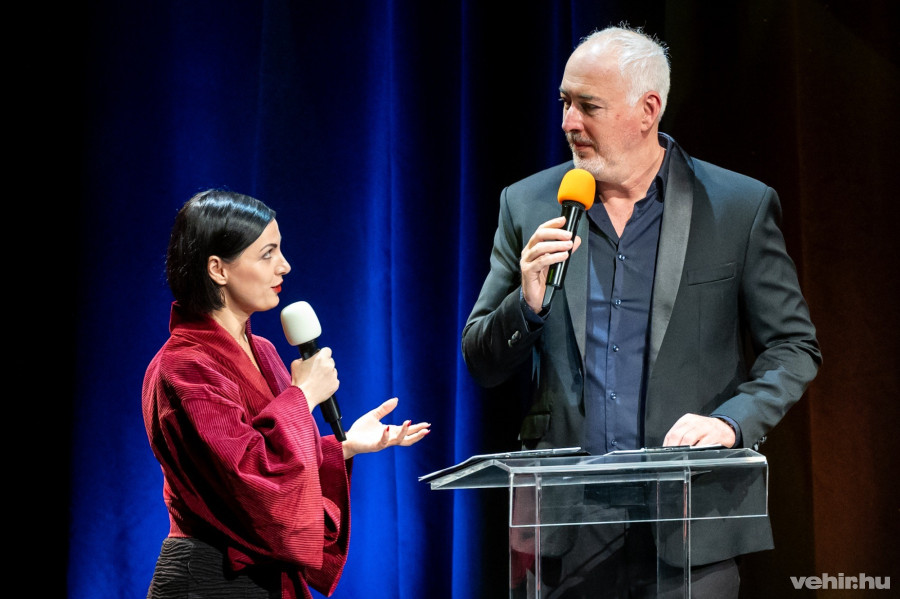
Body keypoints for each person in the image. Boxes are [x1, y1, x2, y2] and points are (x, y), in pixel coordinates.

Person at [461, 25, 821, 598]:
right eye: (564, 102)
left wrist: (731, 422)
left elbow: (794, 347)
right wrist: (525, 304)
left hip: (691, 520)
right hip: (565, 525)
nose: (568, 122)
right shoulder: (527, 204)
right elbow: (481, 361)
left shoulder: (738, 207)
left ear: (648, 109)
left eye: (588, 106)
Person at [142, 189, 430, 599]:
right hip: (211, 578)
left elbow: (276, 455)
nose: (285, 265)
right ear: (217, 269)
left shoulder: (263, 351)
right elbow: (246, 476)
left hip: (264, 578)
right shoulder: (183, 365)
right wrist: (303, 395)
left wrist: (343, 447)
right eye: (267, 254)